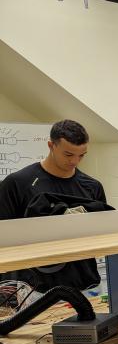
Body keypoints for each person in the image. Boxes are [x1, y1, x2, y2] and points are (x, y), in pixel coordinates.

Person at [0, 119, 109, 292]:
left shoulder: (92, 186)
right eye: (68, 154)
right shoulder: (17, 184)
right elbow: (4, 238)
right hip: (34, 289)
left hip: (86, 285)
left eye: (81, 155)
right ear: (51, 146)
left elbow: (101, 232)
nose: (75, 161)